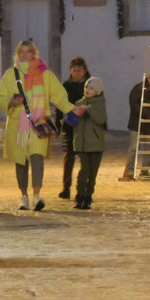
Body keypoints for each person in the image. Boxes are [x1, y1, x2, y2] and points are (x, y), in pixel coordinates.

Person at [0, 40, 85, 211]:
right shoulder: (10, 74)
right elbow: (0, 97)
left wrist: (72, 109)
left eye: (28, 51)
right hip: (18, 125)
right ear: (17, 54)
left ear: (34, 54)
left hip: (39, 123)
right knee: (21, 162)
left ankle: (37, 196)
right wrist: (11, 101)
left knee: (37, 159)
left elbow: (59, 95)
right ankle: (23, 196)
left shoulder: (45, 74)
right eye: (21, 51)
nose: (24, 54)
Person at [120, 69, 150, 181]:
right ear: (149, 79)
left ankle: (145, 170)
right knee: (134, 148)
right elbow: (135, 106)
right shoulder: (138, 89)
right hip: (137, 123)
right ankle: (130, 171)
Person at [57, 56, 91, 200]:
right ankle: (66, 188)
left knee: (86, 160)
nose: (76, 73)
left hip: (85, 127)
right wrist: (57, 124)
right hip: (70, 127)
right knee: (68, 158)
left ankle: (84, 189)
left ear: (85, 71)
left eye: (79, 70)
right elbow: (60, 105)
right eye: (74, 70)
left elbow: (97, 105)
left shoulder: (90, 86)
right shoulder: (66, 86)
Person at [73, 76, 107, 210]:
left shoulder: (100, 103)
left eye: (91, 88)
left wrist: (89, 109)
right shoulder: (79, 103)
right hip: (82, 144)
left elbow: (101, 119)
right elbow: (71, 121)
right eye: (86, 87)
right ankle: (79, 196)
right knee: (84, 171)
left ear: (97, 91)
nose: (87, 89)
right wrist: (76, 113)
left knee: (92, 174)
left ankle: (88, 197)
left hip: (96, 144)